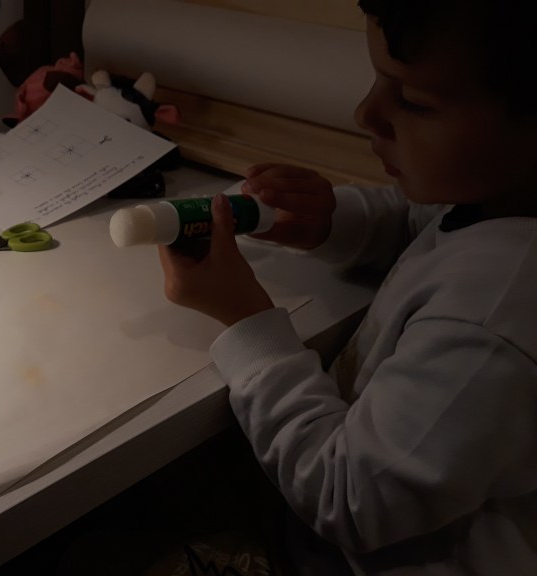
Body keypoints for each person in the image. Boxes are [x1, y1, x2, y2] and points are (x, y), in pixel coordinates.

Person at [155, 0, 537, 574]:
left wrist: (246, 322)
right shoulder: (499, 200)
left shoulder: (494, 318)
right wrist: (330, 220)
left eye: (413, 101)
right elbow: (420, 222)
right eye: (378, 80)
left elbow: (350, 499)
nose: (366, 113)